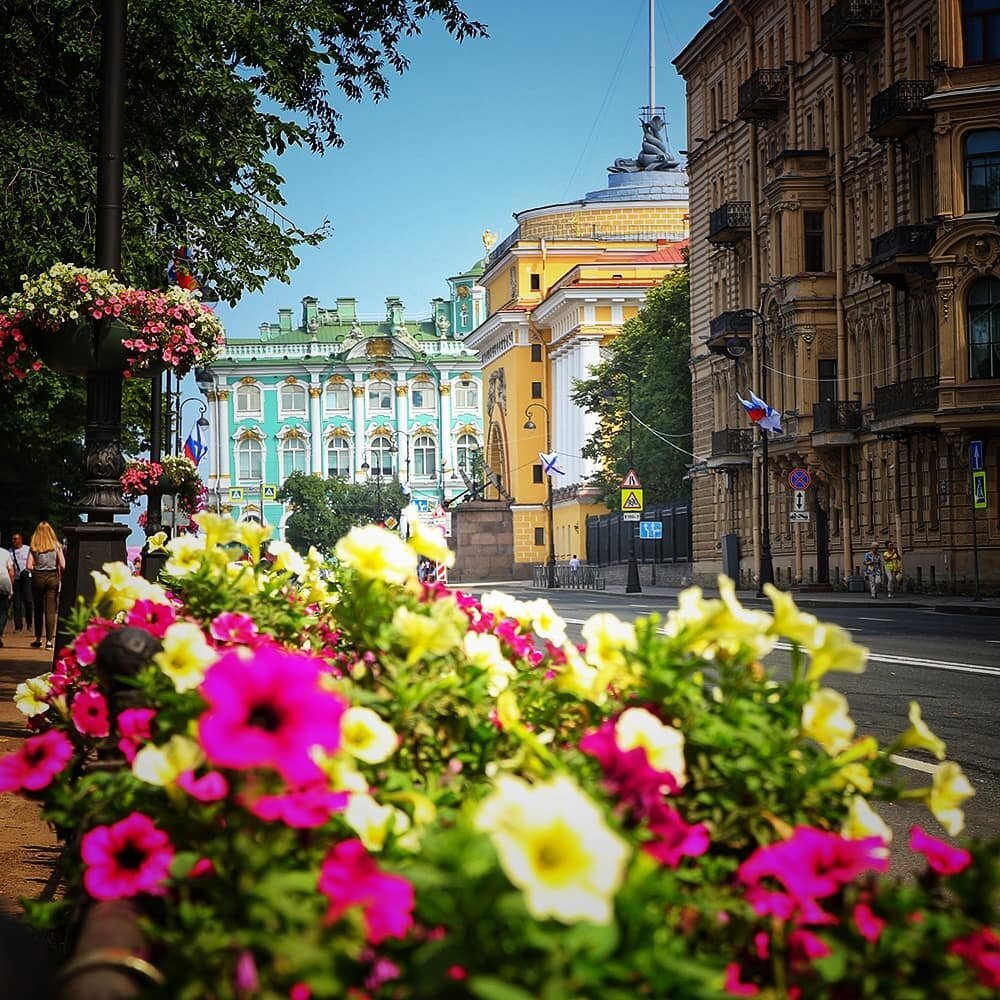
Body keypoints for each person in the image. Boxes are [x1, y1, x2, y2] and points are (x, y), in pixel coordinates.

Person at [27, 521, 64, 650]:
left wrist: (36, 570)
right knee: (50, 611)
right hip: (52, 576)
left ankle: (37, 639)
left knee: (38, 610)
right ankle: (49, 641)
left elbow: (28, 566)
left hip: (38, 577)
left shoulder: (34, 546)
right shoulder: (56, 546)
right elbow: (63, 564)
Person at [9, 531, 32, 632]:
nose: (14, 541)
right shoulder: (10, 552)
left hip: (27, 578)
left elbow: (33, 562)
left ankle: (29, 623)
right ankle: (18, 626)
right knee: (16, 603)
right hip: (17, 579)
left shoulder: (27, 549)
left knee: (28, 601)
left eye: (16, 539)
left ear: (20, 539)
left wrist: (28, 571)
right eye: (13, 539)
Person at [0, 534, 14, 647]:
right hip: (3, 582)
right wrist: (11, 589)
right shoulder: (5, 553)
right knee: (3, 611)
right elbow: (11, 573)